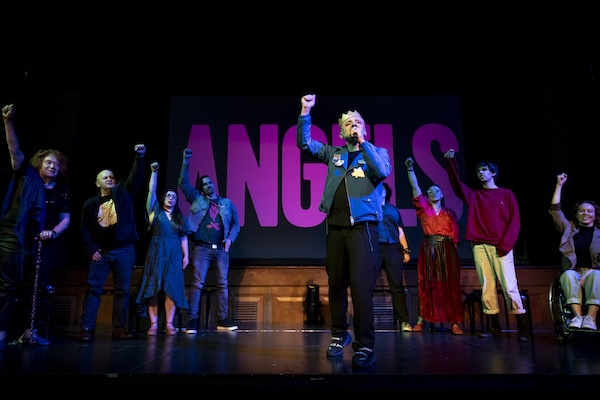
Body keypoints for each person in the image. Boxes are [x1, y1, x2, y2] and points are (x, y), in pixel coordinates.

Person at [297, 94, 392, 368]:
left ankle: (364, 346)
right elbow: (304, 143)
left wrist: (364, 145)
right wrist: (305, 110)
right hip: (335, 229)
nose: (353, 125)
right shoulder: (334, 154)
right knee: (336, 285)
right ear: (340, 131)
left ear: (364, 129)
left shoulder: (376, 152)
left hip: (363, 230)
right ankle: (339, 335)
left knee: (362, 290)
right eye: (348, 123)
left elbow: (382, 172)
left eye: (358, 122)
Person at [0, 104, 70, 350]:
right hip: (13, 235)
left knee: (34, 288)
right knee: (8, 286)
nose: (52, 166)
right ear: (39, 163)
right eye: (48, 162)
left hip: (38, 243)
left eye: (56, 164)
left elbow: (65, 219)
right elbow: (14, 149)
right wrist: (8, 122)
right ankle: (1, 334)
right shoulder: (25, 174)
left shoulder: (57, 190)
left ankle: (29, 333)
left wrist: (51, 232)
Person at [443, 148, 530, 342]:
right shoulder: (474, 195)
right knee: (487, 287)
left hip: (501, 246)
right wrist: (451, 162)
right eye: (478, 171)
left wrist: (505, 245)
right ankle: (494, 328)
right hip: (480, 246)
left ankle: (522, 329)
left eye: (484, 170)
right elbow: (457, 185)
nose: (480, 173)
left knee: (509, 287)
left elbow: (515, 221)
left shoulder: (506, 194)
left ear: (493, 173)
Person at [78, 143, 146, 341]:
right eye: (105, 177)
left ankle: (119, 328)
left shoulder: (123, 193)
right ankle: (87, 329)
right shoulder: (90, 204)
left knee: (122, 290)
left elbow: (135, 179)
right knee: (94, 289)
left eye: (111, 177)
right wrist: (91, 249)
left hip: (124, 250)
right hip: (101, 253)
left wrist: (139, 158)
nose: (109, 179)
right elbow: (84, 229)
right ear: (97, 183)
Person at [178, 148, 240, 332]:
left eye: (210, 183)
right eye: (204, 184)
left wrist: (230, 240)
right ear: (201, 188)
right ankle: (192, 320)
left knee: (222, 284)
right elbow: (183, 183)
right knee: (197, 284)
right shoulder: (197, 199)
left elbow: (236, 224)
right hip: (202, 249)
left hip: (221, 250)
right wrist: (186, 161)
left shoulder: (226, 203)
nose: (208, 185)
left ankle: (223, 320)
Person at [405, 157, 464, 335]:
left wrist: (453, 254)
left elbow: (455, 236)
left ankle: (454, 322)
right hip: (429, 248)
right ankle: (422, 320)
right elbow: (416, 188)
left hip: (447, 249)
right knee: (427, 283)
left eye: (436, 190)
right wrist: (410, 169)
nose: (433, 192)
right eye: (430, 191)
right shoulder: (424, 209)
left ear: (442, 195)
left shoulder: (449, 213)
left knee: (449, 283)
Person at [136, 161, 190, 336]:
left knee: (171, 288)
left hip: (174, 252)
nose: (171, 198)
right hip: (157, 251)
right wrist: (154, 173)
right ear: (163, 198)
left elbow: (183, 237)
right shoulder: (156, 213)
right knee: (153, 287)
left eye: (174, 196)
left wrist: (186, 256)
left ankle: (169, 323)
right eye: (168, 195)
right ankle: (153, 324)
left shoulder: (179, 218)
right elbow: (151, 192)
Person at [549, 172, 600, 330]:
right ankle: (577, 317)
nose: (586, 213)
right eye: (582, 211)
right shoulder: (568, 228)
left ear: (595, 215)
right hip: (573, 272)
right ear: (576, 214)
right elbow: (555, 211)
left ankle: (590, 318)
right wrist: (559, 185)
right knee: (568, 275)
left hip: (594, 272)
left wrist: (589, 272)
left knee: (597, 275)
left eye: (589, 211)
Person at [377, 182, 413, 332]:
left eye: (384, 188)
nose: (382, 190)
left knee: (397, 286)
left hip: (393, 248)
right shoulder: (370, 207)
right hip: (375, 248)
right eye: (379, 188)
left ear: (387, 192)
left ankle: (404, 321)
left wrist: (406, 250)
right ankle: (365, 323)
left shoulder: (393, 210)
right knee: (365, 285)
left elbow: (400, 231)